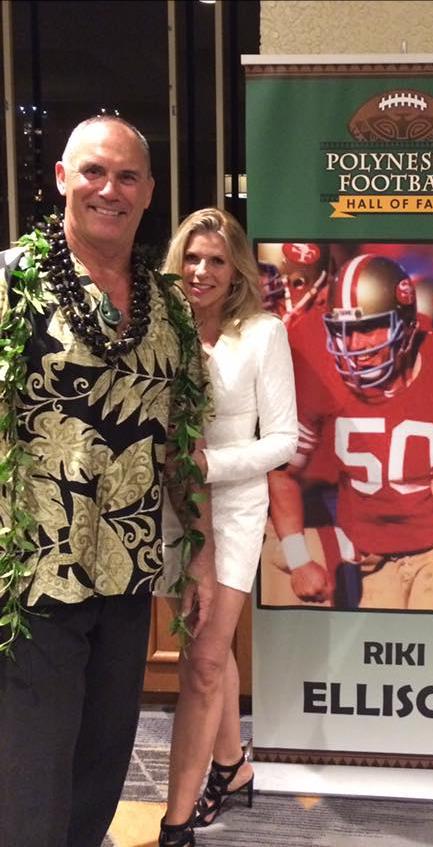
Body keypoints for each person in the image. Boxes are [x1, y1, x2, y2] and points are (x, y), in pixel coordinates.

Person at [0, 116, 214, 847]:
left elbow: (183, 445)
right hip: (33, 585)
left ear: (149, 192)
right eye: (93, 172)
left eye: (127, 177)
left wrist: (201, 561)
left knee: (99, 776)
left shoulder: (172, 309)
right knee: (30, 792)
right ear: (61, 178)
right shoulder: (9, 287)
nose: (109, 190)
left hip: (128, 581)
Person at [268, 252, 433, 612]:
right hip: (370, 554)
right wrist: (299, 558)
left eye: (368, 328)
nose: (355, 346)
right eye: (342, 331)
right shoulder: (314, 359)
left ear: (406, 324)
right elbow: (283, 473)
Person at [157, 209, 297, 846]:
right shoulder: (159, 325)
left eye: (215, 259)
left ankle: (177, 820)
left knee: (206, 658)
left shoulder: (263, 333)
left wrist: (211, 463)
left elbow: (283, 443)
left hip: (236, 509)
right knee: (203, 649)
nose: (201, 270)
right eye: (191, 257)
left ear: (235, 267)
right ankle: (233, 767)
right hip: (170, 509)